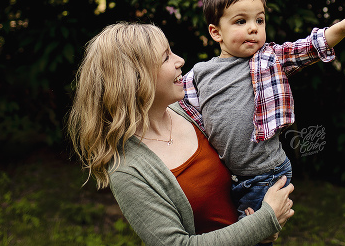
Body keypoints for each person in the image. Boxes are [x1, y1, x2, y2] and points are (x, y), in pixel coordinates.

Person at [67, 22, 295, 245]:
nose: (180, 61)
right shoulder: (128, 170)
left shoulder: (193, 112)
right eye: (166, 57)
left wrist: (259, 222)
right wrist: (263, 222)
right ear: (135, 79)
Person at [179, 0, 345, 223]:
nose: (253, 28)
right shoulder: (200, 74)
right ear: (216, 33)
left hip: (264, 173)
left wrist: (341, 28)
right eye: (240, 21)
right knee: (226, 228)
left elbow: (308, 48)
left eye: (259, 20)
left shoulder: (268, 59)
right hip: (229, 174)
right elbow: (181, 109)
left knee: (253, 234)